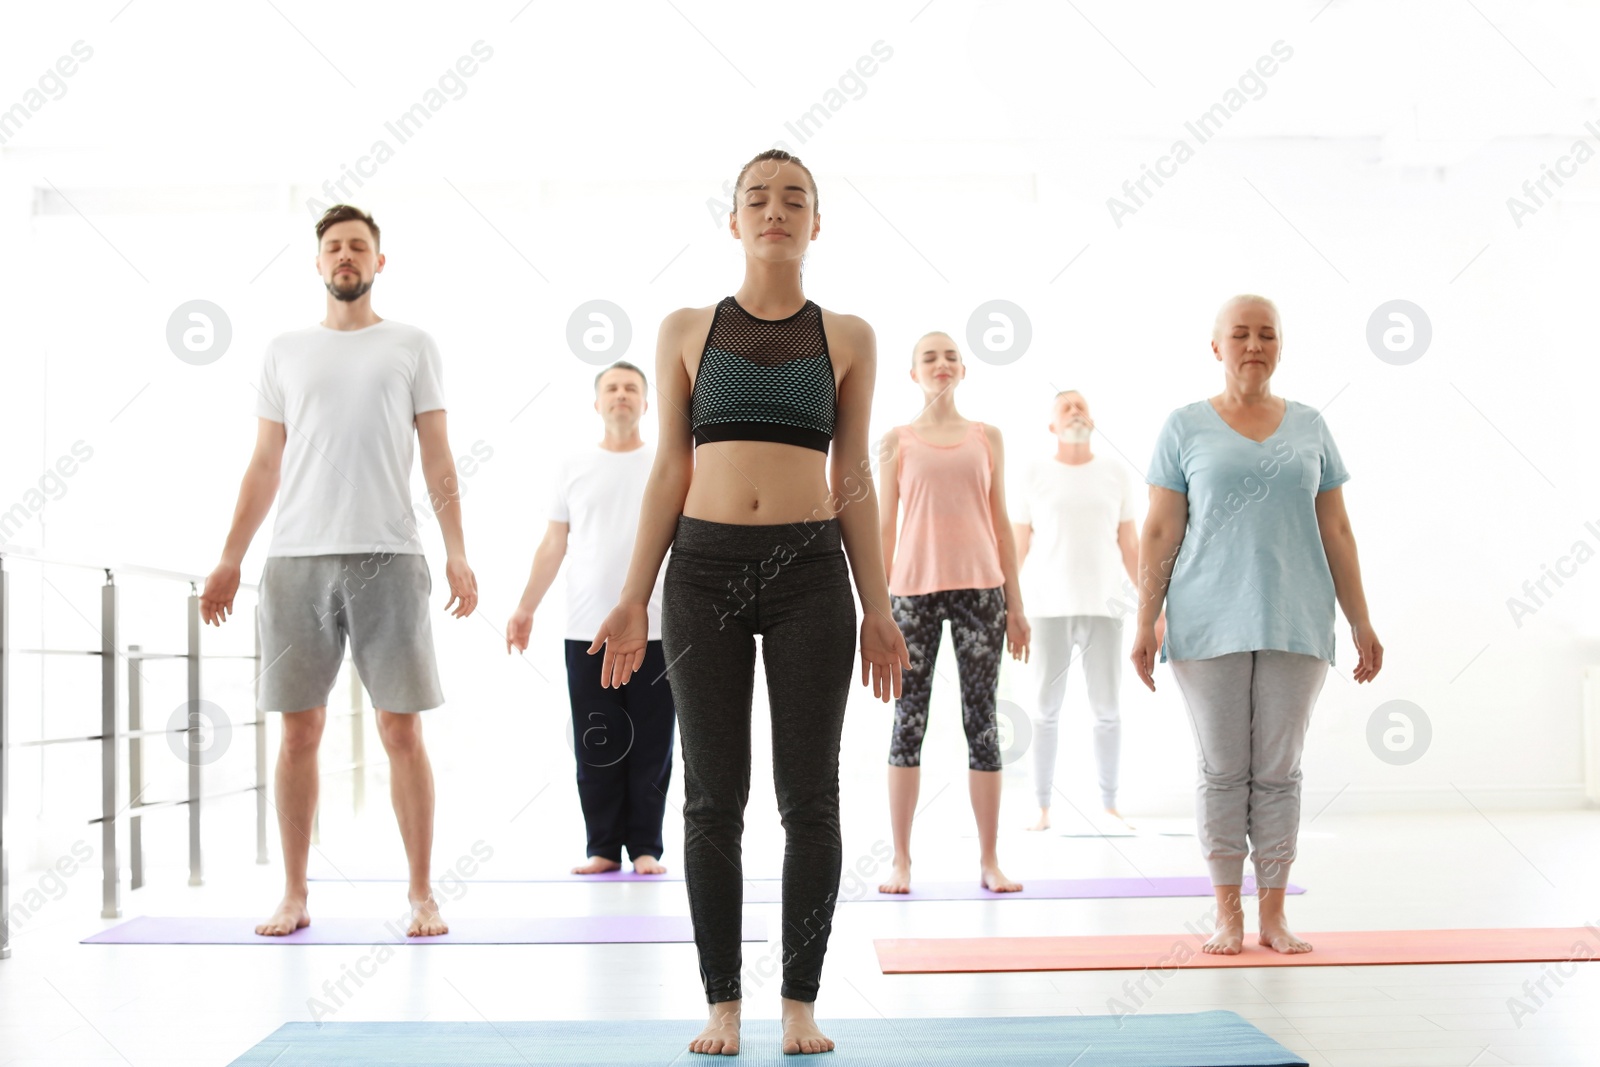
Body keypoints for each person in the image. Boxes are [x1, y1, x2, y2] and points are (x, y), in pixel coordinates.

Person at [588, 150, 910, 1057]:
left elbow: (853, 476)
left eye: (794, 199)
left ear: (817, 223)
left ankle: (800, 1001)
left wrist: (877, 604)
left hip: (812, 574)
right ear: (733, 221)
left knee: (810, 797)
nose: (776, 210)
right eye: (757, 199)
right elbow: (668, 469)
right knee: (711, 798)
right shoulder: (688, 328)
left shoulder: (847, 335)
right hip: (703, 572)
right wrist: (631, 595)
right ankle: (723, 1002)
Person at [198, 204, 479, 939]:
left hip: (390, 553)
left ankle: (421, 892)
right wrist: (230, 555)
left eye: (359, 246)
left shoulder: (412, 343)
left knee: (401, 730)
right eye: (334, 247)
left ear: (379, 262)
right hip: (295, 558)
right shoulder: (285, 351)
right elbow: (264, 462)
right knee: (298, 732)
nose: (346, 256)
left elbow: (439, 455)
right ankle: (293, 892)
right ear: (318, 263)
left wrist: (456, 547)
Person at [1131, 293, 1382, 955]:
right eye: (1238, 334)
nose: (1253, 344)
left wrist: (1361, 621)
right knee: (1223, 770)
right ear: (1216, 347)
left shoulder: (1310, 425)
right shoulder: (1184, 426)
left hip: (1296, 615)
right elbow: (1159, 530)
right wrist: (1144, 619)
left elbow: (1337, 528)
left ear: (1280, 346)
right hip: (1207, 616)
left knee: (1278, 770)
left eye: (1265, 334)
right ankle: (1226, 915)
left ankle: (1272, 915)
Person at [505, 360, 674, 877]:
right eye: (611, 388)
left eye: (631, 389)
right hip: (586, 626)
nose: (621, 395)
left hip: (658, 626)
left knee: (652, 740)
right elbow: (554, 543)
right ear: (596, 403)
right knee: (596, 738)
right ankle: (601, 846)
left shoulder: (667, 464)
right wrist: (525, 606)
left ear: (646, 403)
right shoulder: (572, 465)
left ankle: (645, 846)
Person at [877, 330, 1030, 896]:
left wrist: (1016, 603)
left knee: (982, 722)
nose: (940, 364)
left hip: (981, 592)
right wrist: (878, 606)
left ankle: (990, 860)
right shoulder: (895, 441)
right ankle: (900, 861)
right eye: (928, 356)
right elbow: (884, 527)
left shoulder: (987, 437)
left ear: (963, 370)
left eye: (950, 356)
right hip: (911, 595)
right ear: (912, 373)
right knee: (907, 724)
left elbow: (1001, 521)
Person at [1011, 389, 1162, 831]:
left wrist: (1153, 610)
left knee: (1107, 709)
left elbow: (1131, 543)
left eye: (1082, 406)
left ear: (1092, 422)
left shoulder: (1114, 472)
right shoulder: (1034, 473)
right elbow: (1019, 544)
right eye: (1066, 407)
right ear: (1052, 426)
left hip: (1104, 607)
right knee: (1044, 710)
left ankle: (1110, 805)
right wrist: (1009, 605)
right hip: (1046, 608)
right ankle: (1041, 808)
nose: (1076, 411)